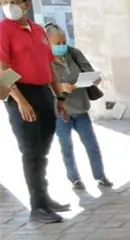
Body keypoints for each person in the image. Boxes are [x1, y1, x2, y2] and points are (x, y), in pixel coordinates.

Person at [0, 0, 71, 223]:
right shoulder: (3, 30)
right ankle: (37, 207)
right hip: (21, 93)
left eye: (14, 1)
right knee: (31, 151)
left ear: (26, 3)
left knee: (42, 149)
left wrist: (59, 97)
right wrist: (20, 100)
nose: (9, 5)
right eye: (5, 1)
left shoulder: (38, 29)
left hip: (43, 93)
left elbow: (48, 66)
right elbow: (2, 68)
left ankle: (44, 197)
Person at [45, 24, 112, 191]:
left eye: (63, 42)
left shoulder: (73, 53)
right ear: (47, 43)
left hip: (80, 107)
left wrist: (93, 79)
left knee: (91, 144)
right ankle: (74, 178)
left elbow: (88, 70)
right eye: (57, 43)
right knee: (66, 146)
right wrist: (61, 87)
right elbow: (44, 85)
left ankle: (100, 176)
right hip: (60, 111)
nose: (62, 46)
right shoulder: (44, 60)